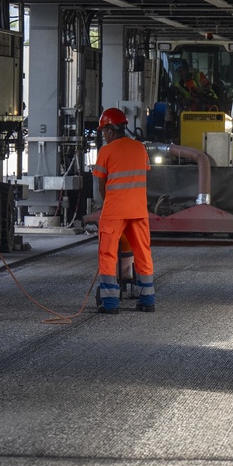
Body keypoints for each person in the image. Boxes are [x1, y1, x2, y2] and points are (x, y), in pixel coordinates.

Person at [90, 107, 155, 314]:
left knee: (108, 255)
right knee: (142, 253)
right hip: (138, 210)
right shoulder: (139, 148)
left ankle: (110, 303)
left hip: (114, 212)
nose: (104, 136)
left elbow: (100, 184)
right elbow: (143, 175)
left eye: (103, 132)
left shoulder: (106, 151)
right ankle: (147, 300)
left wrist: (109, 201)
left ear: (110, 130)